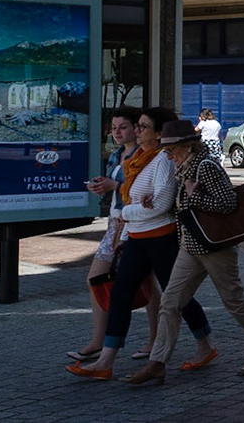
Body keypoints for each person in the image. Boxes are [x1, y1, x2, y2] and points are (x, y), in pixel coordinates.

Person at [67, 109, 216, 381]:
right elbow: (136, 199)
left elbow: (160, 205)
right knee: (121, 294)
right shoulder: (136, 158)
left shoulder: (162, 160)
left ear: (159, 134)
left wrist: (127, 214)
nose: (137, 131)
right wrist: (125, 234)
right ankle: (106, 360)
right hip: (136, 237)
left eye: (143, 127)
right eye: (138, 126)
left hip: (161, 239)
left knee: (177, 297)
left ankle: (205, 345)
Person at [127, 120, 244, 385]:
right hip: (190, 246)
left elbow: (227, 203)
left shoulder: (206, 167)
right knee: (170, 304)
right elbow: (185, 208)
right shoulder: (182, 168)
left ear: (186, 146)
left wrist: (194, 196)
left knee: (234, 301)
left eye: (170, 148)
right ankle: (157, 363)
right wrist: (160, 202)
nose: (167, 154)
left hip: (215, 247)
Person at [70, 108, 160, 365]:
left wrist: (115, 186)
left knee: (145, 285)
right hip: (115, 223)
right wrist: (103, 186)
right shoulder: (115, 156)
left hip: (134, 223)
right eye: (113, 128)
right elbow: (118, 190)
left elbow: (145, 192)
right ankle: (98, 342)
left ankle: (154, 341)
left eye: (123, 127)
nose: (117, 132)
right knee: (96, 278)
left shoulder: (145, 157)